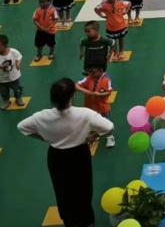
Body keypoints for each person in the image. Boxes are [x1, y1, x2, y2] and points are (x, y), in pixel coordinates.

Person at [18, 78, 115, 227]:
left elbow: (22, 127)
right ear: (72, 96)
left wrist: (45, 138)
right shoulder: (85, 114)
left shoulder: (42, 116)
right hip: (79, 154)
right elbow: (109, 127)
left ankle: (69, 222)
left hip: (56, 156)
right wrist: (94, 136)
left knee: (62, 191)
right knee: (83, 190)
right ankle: (87, 222)